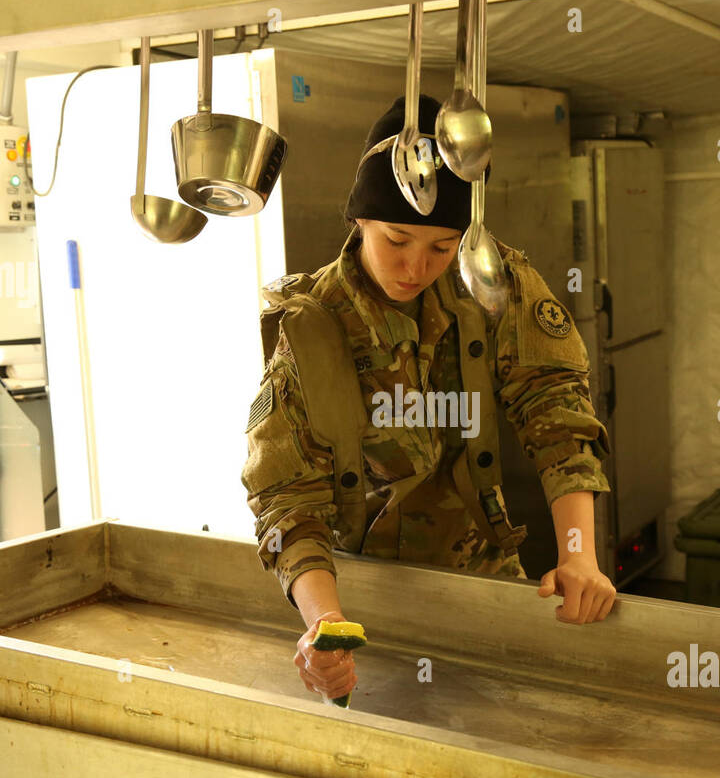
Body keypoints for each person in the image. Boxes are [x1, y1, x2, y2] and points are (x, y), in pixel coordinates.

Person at [241, 94, 614, 705]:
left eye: (442, 247)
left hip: (484, 581)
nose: (417, 267)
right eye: (397, 240)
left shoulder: (489, 280)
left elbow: (556, 411)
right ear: (359, 220)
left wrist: (579, 555)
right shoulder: (313, 325)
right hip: (356, 593)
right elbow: (286, 497)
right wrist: (324, 625)